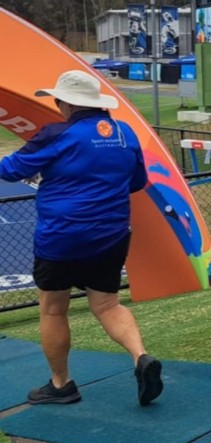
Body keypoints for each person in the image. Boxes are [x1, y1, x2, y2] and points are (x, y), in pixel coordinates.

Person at [0, 70, 163, 407]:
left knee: (54, 310)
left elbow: (11, 170)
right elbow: (136, 182)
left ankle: (62, 385)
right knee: (107, 305)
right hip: (111, 235)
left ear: (67, 103)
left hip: (62, 236)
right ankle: (141, 357)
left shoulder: (57, 134)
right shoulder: (125, 133)